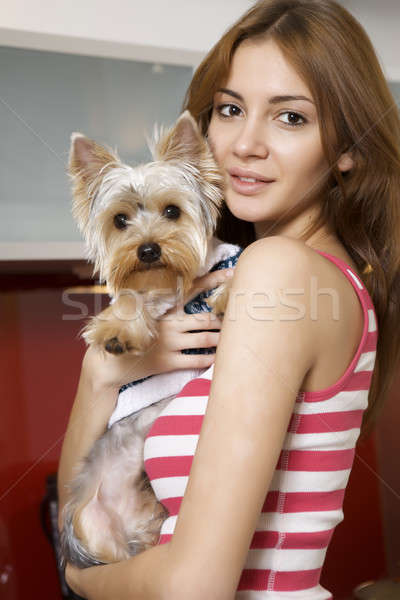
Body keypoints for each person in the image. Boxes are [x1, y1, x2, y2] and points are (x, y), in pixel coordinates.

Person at [58, 0, 400, 598]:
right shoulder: (273, 279)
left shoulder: (278, 271)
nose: (245, 144)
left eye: (290, 118)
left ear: (348, 148)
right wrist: (103, 371)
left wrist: (80, 582)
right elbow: (82, 518)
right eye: (231, 109)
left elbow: (192, 585)